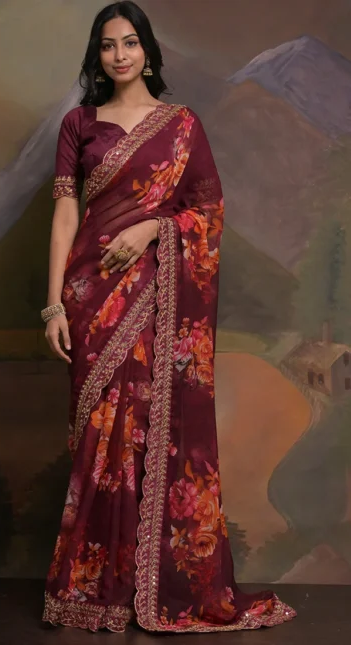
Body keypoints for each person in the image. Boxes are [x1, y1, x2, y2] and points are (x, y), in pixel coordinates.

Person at [41, 0, 297, 634]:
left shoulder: (181, 126)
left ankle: (147, 586)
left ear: (148, 51)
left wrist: (156, 228)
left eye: (130, 42)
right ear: (97, 55)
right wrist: (53, 304)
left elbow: (208, 213)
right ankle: (92, 587)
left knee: (146, 429)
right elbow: (65, 214)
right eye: (108, 45)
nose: (119, 54)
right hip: (90, 294)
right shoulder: (79, 124)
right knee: (98, 437)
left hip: (155, 295)